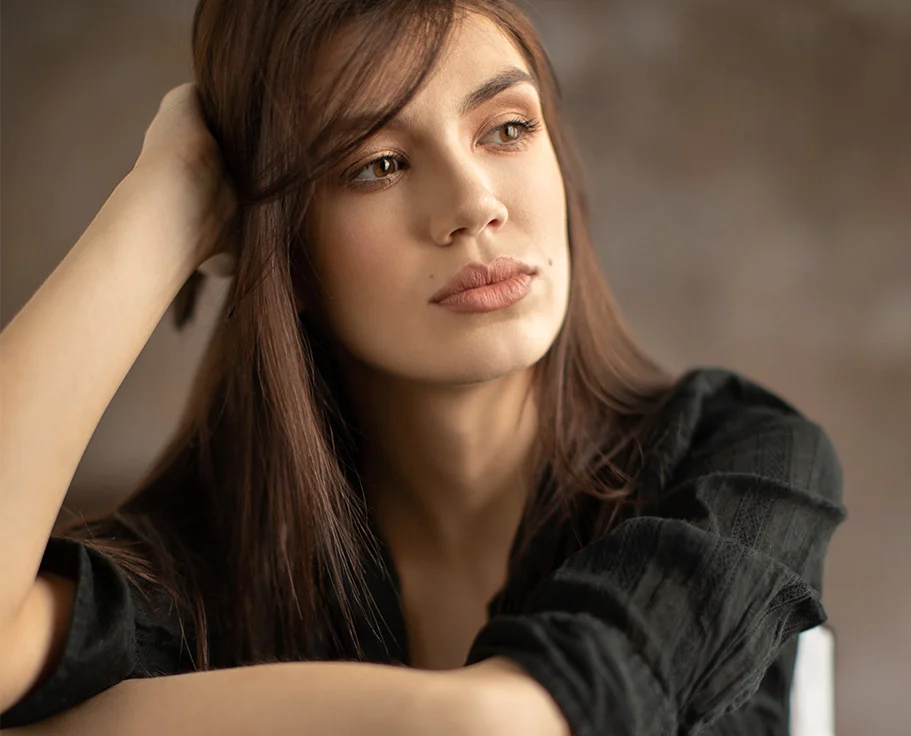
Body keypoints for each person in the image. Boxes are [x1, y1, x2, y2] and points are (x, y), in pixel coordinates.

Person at [0, 0, 846, 733]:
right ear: (285, 255)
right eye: (377, 165)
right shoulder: (214, 553)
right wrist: (170, 197)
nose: (475, 202)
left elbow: (506, 725)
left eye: (508, 127)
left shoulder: (738, 465)